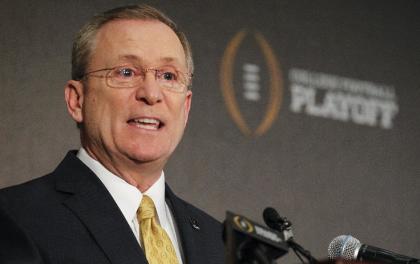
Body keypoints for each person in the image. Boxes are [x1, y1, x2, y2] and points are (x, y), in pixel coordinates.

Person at [0, 4, 224, 264]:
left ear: (185, 107)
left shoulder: (220, 242)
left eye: (168, 75)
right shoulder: (16, 218)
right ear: (77, 100)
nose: (151, 94)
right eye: (126, 72)